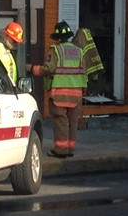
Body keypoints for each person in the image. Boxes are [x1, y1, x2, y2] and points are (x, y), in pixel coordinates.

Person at [31, 20, 87, 158]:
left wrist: (32, 69)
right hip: (77, 94)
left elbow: (48, 69)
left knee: (61, 121)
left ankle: (61, 150)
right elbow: (84, 72)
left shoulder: (56, 50)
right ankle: (70, 149)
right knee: (72, 122)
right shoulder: (79, 51)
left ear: (57, 38)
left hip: (59, 94)